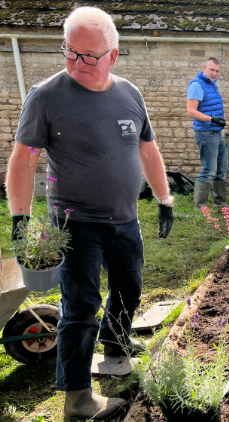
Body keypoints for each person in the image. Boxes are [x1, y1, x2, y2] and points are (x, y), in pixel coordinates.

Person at [7, 7, 173, 420]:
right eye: (70, 52)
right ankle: (78, 398)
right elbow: (24, 159)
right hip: (74, 221)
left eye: (89, 56)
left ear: (113, 56)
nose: (77, 63)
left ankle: (116, 343)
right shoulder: (46, 97)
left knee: (130, 288)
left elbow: (147, 149)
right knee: (80, 305)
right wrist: (20, 218)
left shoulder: (130, 94)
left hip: (125, 216)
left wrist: (165, 197)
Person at [187, 57, 228, 210]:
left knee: (222, 169)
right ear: (204, 67)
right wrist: (212, 119)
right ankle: (200, 207)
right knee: (209, 170)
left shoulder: (212, 85)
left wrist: (217, 121)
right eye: (212, 69)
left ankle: (220, 203)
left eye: (217, 71)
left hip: (216, 133)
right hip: (205, 133)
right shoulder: (197, 85)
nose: (214, 73)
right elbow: (191, 111)